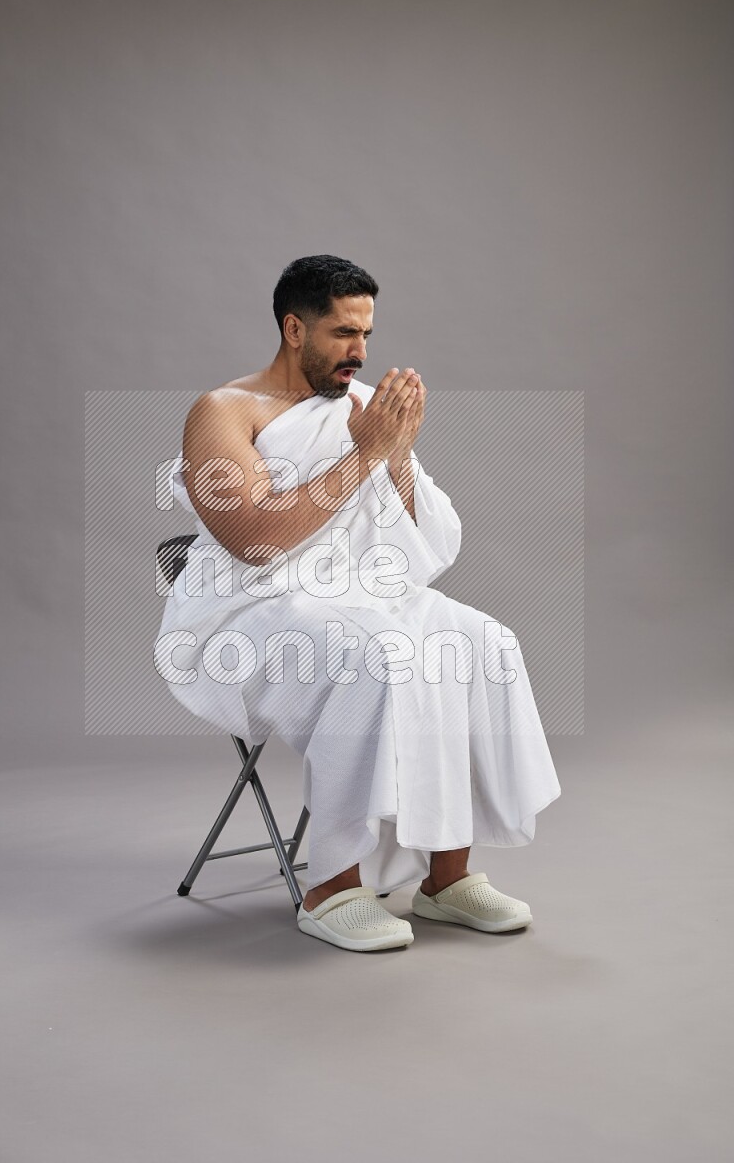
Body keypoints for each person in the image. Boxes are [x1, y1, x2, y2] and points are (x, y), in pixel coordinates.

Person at [154, 254, 561, 952]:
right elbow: (253, 541)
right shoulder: (223, 412)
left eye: (366, 333)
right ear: (294, 328)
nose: (360, 352)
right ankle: (331, 887)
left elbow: (416, 547)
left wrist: (396, 455)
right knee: (374, 657)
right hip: (249, 613)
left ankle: (446, 878)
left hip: (358, 591)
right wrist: (365, 454)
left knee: (482, 640)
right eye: (343, 333)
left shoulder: (363, 408)